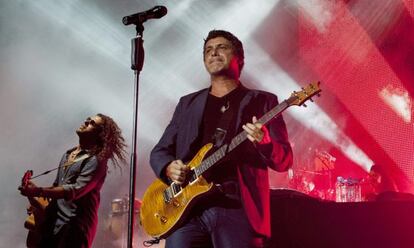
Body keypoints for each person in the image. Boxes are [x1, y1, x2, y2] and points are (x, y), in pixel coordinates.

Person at [149, 30, 293, 248]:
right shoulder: (187, 103)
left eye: (222, 47)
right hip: (187, 210)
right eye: (208, 50)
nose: (213, 52)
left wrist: (265, 144)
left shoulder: (263, 101)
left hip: (236, 207)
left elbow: (285, 160)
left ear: (239, 58)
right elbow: (160, 151)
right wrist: (169, 168)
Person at [19, 113, 127, 248]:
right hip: (53, 224)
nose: (87, 122)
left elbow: (74, 190)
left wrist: (38, 191)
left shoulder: (96, 160)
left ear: (100, 135)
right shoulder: (67, 155)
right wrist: (34, 194)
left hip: (74, 227)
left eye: (92, 123)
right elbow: (56, 188)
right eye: (88, 119)